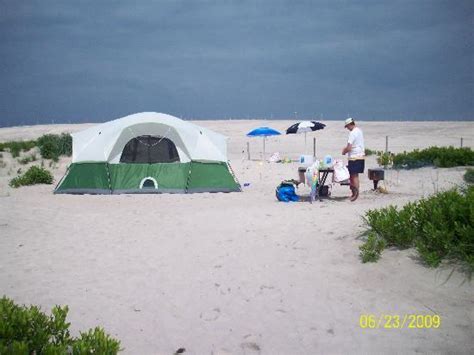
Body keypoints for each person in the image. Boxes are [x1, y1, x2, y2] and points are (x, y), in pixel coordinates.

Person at [341, 117, 365, 201]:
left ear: (350, 125)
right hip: (361, 156)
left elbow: (349, 147)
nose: (347, 128)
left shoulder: (352, 133)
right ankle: (356, 193)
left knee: (353, 176)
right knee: (356, 176)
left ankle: (354, 194)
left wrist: (344, 151)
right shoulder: (359, 131)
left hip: (354, 157)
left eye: (347, 126)